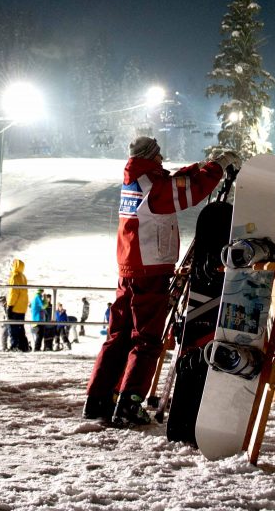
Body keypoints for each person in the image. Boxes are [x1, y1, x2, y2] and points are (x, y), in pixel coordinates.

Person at [84, 136, 234, 425]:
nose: (163, 159)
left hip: (130, 269)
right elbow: (189, 193)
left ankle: (98, 398)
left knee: (119, 335)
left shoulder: (138, 179)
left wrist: (201, 165)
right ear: (150, 156)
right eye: (159, 155)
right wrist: (216, 168)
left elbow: (175, 180)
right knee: (147, 339)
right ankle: (130, 402)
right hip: (149, 270)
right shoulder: (152, 186)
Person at [6, 259, 29, 352]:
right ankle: (23, 346)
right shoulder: (23, 277)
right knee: (20, 327)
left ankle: (14, 345)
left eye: (12, 264)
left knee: (12, 327)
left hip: (15, 306)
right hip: (22, 307)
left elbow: (13, 292)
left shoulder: (14, 276)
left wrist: (10, 306)